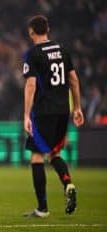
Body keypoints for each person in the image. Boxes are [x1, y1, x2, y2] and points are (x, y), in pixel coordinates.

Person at [22, 15, 84, 218]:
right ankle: (68, 182)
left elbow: (30, 84)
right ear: (47, 28)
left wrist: (26, 114)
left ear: (31, 31)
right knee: (54, 154)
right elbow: (74, 79)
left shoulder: (33, 54)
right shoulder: (62, 50)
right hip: (62, 111)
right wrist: (77, 107)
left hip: (43, 112)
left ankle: (42, 208)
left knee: (36, 156)